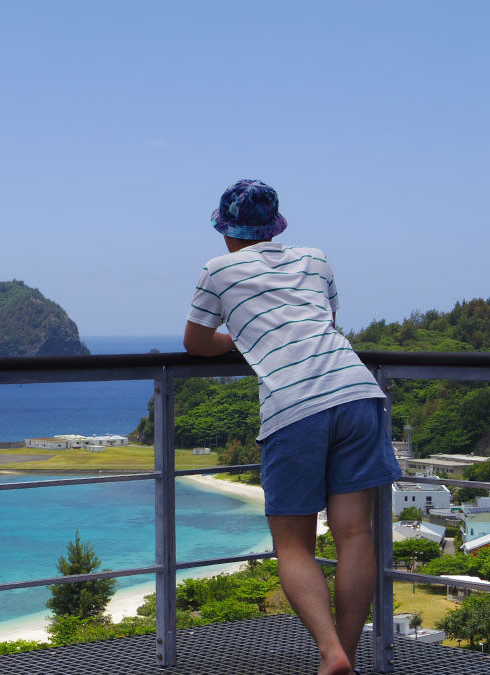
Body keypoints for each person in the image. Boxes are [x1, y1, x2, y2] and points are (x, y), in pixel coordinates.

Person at [183, 179, 401, 675]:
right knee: (353, 534)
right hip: (356, 390)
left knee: (294, 543)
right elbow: (322, 320)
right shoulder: (316, 258)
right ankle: (345, 655)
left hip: (295, 403)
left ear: (224, 230)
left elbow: (196, 342)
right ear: (275, 227)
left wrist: (240, 335)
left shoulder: (217, 269)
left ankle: (330, 653)